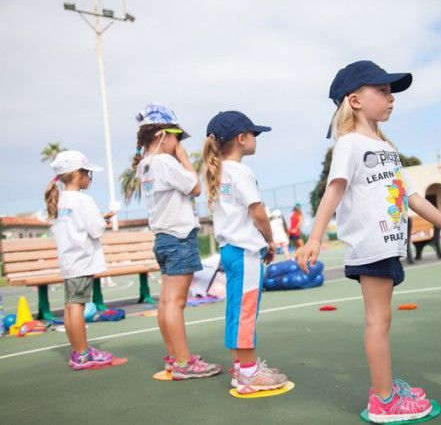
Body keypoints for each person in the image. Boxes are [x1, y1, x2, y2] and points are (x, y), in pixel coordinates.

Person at [296, 60, 441, 423]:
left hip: (389, 243)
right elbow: (334, 189)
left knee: (383, 318)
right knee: (377, 320)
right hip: (370, 242)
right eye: (382, 91)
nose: (391, 98)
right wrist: (314, 237)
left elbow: (411, 196)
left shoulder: (385, 145)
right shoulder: (348, 144)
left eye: (391, 92)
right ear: (355, 100)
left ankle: (385, 386)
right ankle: (383, 400)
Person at [133, 103, 222, 380]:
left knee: (166, 302)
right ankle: (184, 362)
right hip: (179, 237)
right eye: (177, 137)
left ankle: (175, 357)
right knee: (175, 303)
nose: (178, 143)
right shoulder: (164, 162)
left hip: (163, 237)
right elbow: (195, 187)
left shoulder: (144, 165)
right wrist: (183, 158)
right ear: (162, 135)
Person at [203, 110, 288, 394]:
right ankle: (250, 374)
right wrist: (270, 241)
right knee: (246, 312)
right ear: (241, 138)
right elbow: (258, 213)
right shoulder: (241, 171)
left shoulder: (218, 172)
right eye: (253, 134)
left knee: (236, 311)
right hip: (246, 252)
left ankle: (241, 369)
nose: (255, 138)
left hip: (230, 250)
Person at [45, 150, 117, 370]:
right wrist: (102, 220)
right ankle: (82, 354)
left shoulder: (59, 200)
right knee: (77, 305)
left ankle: (79, 351)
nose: (89, 178)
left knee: (70, 306)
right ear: (77, 175)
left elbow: (74, 225)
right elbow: (95, 230)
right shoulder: (83, 200)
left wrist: (97, 219)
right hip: (82, 259)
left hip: (69, 260)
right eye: (88, 173)